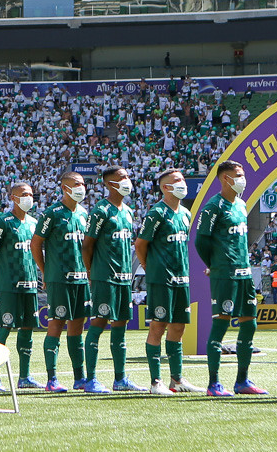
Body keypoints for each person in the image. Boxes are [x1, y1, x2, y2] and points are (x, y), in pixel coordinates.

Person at [194, 159, 264, 398]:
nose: (242, 178)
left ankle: (242, 381)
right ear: (225, 178)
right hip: (225, 274)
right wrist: (214, 265)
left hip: (245, 274)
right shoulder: (214, 206)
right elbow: (201, 241)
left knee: (249, 323)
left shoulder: (241, 205)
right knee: (221, 324)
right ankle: (214, 384)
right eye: (238, 174)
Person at [136, 170, 201, 395]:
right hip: (161, 280)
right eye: (176, 181)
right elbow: (140, 244)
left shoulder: (185, 213)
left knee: (179, 327)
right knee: (158, 326)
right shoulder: (156, 213)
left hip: (182, 278)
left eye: (182, 180)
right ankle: (156, 383)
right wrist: (149, 268)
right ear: (165, 188)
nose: (182, 184)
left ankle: (177, 380)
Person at [82, 167, 143, 393]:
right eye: (121, 178)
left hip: (124, 278)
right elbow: (87, 245)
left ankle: (120, 379)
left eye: (127, 177)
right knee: (98, 323)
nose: (127, 181)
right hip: (104, 277)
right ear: (109, 184)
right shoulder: (100, 210)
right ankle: (91, 380)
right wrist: (92, 272)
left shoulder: (127, 211)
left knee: (121, 325)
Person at [33, 169, 91, 392]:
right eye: (77, 183)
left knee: (78, 326)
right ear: (65, 187)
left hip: (81, 279)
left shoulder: (84, 213)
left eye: (83, 184)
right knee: (56, 324)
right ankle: (52, 379)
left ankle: (80, 378)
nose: (81, 187)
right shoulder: (52, 214)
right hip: (59, 278)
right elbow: (36, 244)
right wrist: (46, 271)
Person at [0, 181, 42, 391]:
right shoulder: (3, 222)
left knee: (27, 328)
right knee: (4, 328)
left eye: (30, 193)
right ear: (13, 197)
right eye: (23, 194)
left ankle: (25, 377)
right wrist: (1, 277)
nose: (29, 197)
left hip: (30, 285)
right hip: (9, 285)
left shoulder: (34, 223)